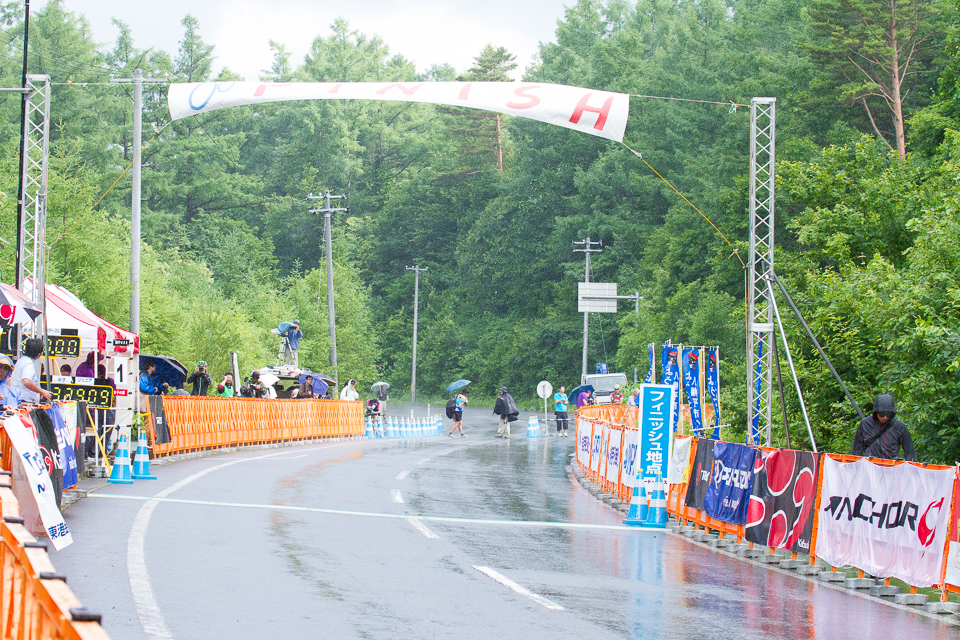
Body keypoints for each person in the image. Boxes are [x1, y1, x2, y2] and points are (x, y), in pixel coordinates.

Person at [851, 394, 916, 461]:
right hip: (871, 467)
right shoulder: (865, 424)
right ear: (876, 413)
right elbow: (856, 451)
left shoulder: (899, 426)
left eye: (888, 414)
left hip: (891, 468)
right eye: (882, 414)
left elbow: (910, 452)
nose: (885, 417)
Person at [11, 338, 53, 404]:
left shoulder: (21, 361)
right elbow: (26, 382)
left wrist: (38, 391)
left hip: (19, 399)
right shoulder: (28, 364)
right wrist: (42, 391)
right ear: (39, 354)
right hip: (24, 401)